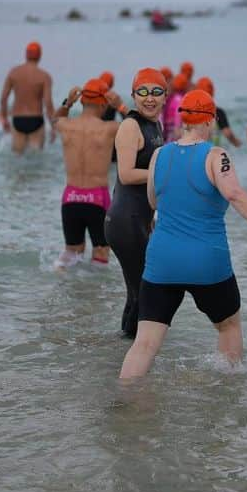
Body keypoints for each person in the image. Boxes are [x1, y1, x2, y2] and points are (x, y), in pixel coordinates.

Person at [119, 89, 247, 379]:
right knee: (228, 326)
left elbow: (153, 201)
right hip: (207, 262)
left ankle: (124, 402)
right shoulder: (216, 156)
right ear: (210, 120)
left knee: (145, 343)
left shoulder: (159, 155)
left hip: (162, 262)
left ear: (181, 118)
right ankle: (227, 391)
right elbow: (234, 194)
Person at [105, 68, 167, 338]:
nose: (149, 98)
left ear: (165, 96)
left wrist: (151, 217)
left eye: (156, 92)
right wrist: (166, 172)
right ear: (133, 96)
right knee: (144, 290)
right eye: (143, 92)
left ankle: (124, 349)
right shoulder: (130, 126)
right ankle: (133, 353)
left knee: (138, 291)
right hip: (123, 222)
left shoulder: (155, 125)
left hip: (138, 220)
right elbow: (126, 174)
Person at [51, 79, 122, 269]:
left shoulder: (66, 125)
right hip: (96, 199)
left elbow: (53, 121)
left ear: (81, 101)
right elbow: (140, 126)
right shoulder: (109, 129)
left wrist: (67, 103)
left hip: (70, 198)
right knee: (101, 251)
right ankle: (94, 296)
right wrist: (121, 106)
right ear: (104, 103)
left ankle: (62, 276)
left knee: (72, 252)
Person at [0, 41, 54, 154]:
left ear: (26, 55)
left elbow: (3, 98)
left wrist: (4, 119)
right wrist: (53, 126)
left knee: (18, 160)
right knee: (36, 159)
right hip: (36, 120)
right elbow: (48, 103)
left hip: (18, 120)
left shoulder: (13, 73)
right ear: (39, 56)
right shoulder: (44, 76)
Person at [196, 77, 242, 148]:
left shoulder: (192, 113)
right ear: (212, 92)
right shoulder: (218, 112)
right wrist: (235, 142)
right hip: (213, 152)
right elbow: (227, 133)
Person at [162, 73, 189, 143]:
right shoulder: (180, 99)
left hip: (168, 130)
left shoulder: (172, 99)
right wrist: (177, 128)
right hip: (174, 132)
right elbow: (178, 115)